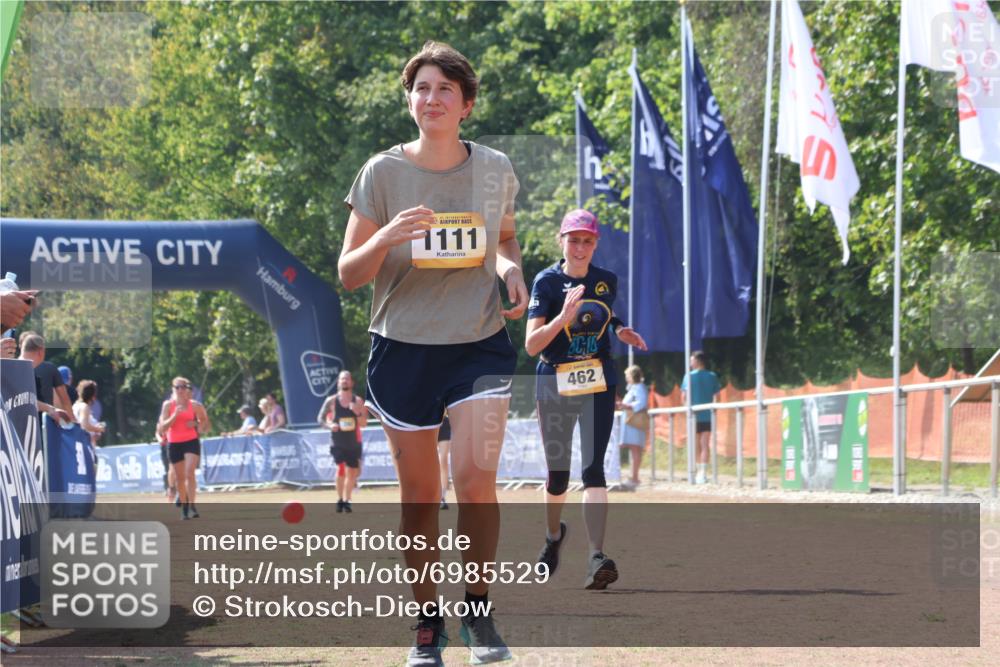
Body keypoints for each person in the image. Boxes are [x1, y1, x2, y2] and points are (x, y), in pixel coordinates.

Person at [339, 41, 527, 667]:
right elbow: (349, 274)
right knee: (421, 496)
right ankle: (428, 624)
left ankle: (478, 613)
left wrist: (511, 269)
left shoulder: (495, 169)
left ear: (466, 104)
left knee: (474, 481)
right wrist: (387, 236)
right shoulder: (381, 173)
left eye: (446, 88)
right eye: (422, 87)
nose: (433, 98)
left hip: (478, 345)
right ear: (410, 100)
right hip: (403, 349)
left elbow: (504, 238)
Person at [525, 209, 647, 591]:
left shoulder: (606, 280)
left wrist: (620, 328)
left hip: (597, 378)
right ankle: (553, 536)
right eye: (574, 240)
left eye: (587, 241)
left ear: (596, 244)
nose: (580, 247)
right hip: (554, 380)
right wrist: (562, 317)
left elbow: (604, 315)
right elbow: (531, 345)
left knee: (594, 470)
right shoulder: (546, 282)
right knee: (558, 475)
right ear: (561, 240)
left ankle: (596, 557)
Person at [157, 377, 211, 519]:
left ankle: (192, 506)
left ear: (187, 389)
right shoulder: (168, 405)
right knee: (180, 478)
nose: (180, 390)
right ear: (173, 389)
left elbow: (205, 422)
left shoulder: (195, 405)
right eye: (177, 387)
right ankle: (184, 507)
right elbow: (162, 428)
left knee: (189, 473)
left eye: (183, 387)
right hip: (174, 443)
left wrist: (197, 424)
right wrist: (175, 415)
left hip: (191, 441)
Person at [317, 371, 368, 513]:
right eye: (342, 379)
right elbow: (320, 419)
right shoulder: (331, 401)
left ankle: (347, 500)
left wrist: (357, 413)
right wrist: (329, 425)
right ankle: (340, 499)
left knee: (352, 472)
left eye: (347, 379)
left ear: (352, 382)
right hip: (337, 442)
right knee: (341, 468)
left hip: (353, 443)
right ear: (338, 383)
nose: (344, 381)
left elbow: (364, 423)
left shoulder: (358, 401)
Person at [681, 351, 722, 484]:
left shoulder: (688, 376)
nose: (690, 363)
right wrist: (713, 409)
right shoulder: (712, 376)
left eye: (691, 360)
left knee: (695, 444)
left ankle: (699, 471)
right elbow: (718, 397)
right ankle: (702, 473)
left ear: (698, 361)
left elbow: (683, 397)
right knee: (705, 444)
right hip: (707, 415)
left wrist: (687, 409)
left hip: (693, 415)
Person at [18, 333, 74, 423]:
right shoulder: (23, 371)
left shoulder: (10, 368)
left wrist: (51, 409)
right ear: (41, 351)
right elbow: (24, 400)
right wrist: (50, 409)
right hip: (30, 426)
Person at [618, 365, 649, 489]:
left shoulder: (639, 387)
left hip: (634, 422)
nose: (626, 377)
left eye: (627, 375)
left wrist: (626, 405)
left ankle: (635, 478)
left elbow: (641, 403)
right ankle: (633, 476)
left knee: (635, 449)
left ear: (632, 376)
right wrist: (624, 405)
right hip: (631, 421)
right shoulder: (634, 388)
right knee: (634, 449)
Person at [72, 379, 106, 448]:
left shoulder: (75, 405)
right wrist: (99, 429)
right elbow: (84, 425)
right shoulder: (84, 407)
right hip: (85, 446)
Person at [437, 413, 451, 510]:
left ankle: (442, 497)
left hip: (443, 422)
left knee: (443, 460)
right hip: (427, 421)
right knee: (427, 461)